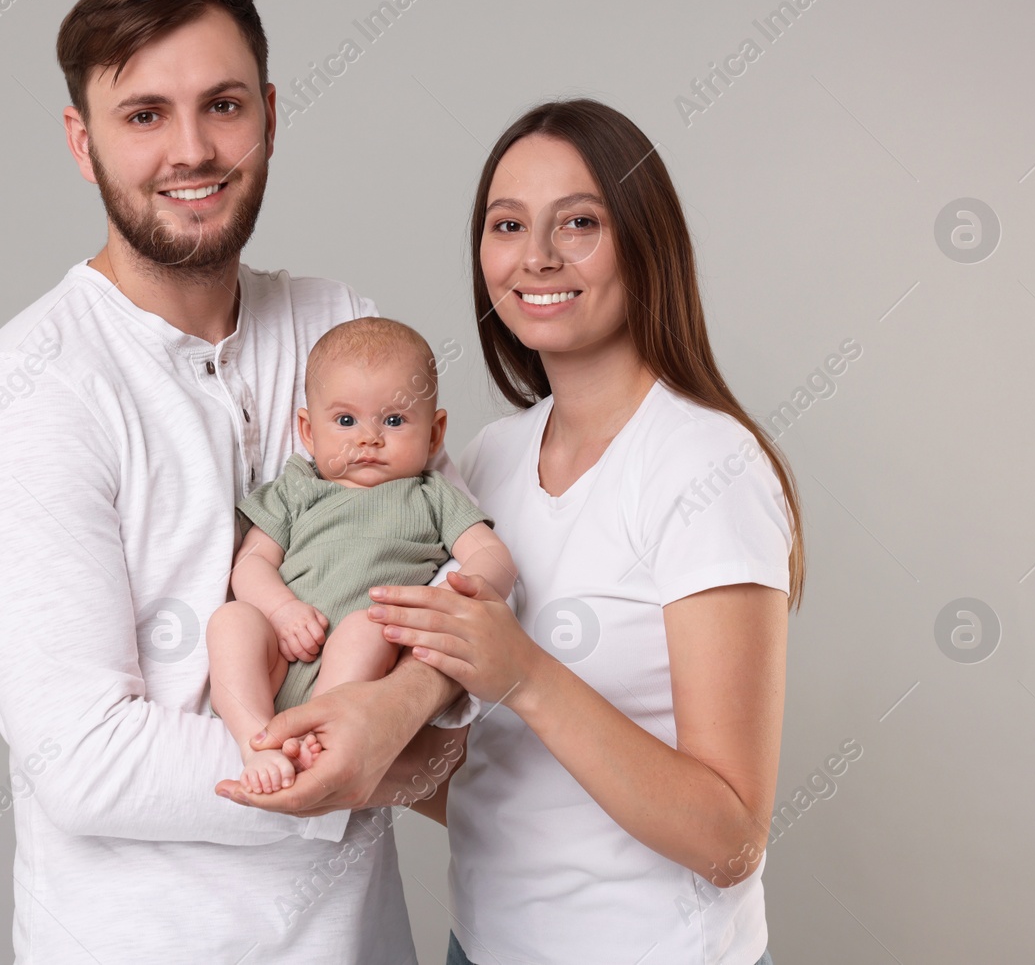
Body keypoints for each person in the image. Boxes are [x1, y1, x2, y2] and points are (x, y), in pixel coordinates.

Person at [0, 0, 483, 964]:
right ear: (81, 141)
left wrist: (398, 709)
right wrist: (358, 763)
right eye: (143, 113)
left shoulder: (341, 329)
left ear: (268, 116)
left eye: (221, 106)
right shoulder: (27, 392)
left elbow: (467, 606)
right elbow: (86, 758)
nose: (190, 149)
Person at [329, 99, 802, 964]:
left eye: (579, 222)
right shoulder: (485, 462)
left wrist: (527, 674)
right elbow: (497, 779)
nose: (537, 255)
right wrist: (374, 751)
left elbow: (731, 837)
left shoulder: (707, 468)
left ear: (643, 242)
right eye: (508, 224)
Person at [208, 317, 517, 795]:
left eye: (394, 421)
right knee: (230, 621)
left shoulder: (430, 495)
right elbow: (250, 564)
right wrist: (281, 610)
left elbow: (494, 560)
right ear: (309, 433)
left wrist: (451, 602)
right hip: (279, 655)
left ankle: (325, 730)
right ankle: (258, 743)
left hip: (359, 672)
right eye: (346, 421)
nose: (369, 438)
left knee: (368, 623)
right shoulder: (297, 488)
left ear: (434, 435)